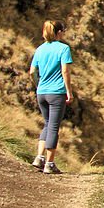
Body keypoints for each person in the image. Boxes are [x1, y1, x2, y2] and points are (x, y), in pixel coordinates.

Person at [29, 20, 74, 174]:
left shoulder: (40, 49)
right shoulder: (63, 49)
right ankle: (49, 163)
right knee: (54, 126)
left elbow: (32, 71)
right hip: (57, 92)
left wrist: (38, 85)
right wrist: (69, 91)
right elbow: (65, 72)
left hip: (41, 92)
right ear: (59, 32)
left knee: (47, 124)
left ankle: (39, 158)